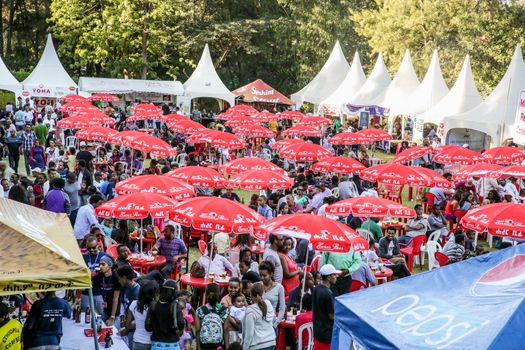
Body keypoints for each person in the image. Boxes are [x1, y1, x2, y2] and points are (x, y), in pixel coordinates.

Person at [145, 279, 185, 350]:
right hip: (173, 345)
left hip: (156, 345)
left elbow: (148, 327)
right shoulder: (176, 306)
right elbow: (181, 325)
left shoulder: (153, 305)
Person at [242, 282, 276, 350]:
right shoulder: (268, 304)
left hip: (257, 345)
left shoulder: (250, 310)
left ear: (251, 295)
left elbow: (249, 334)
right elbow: (273, 320)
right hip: (271, 342)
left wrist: (244, 348)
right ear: (263, 293)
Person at [312, 264, 339, 350]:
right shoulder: (328, 293)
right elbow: (331, 315)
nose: (336, 276)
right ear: (328, 278)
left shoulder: (316, 288)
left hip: (317, 332)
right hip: (327, 334)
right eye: (334, 274)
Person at [196, 283, 229, 349]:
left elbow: (197, 330)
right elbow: (225, 330)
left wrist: (198, 347)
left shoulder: (200, 310)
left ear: (206, 294)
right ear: (219, 294)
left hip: (204, 344)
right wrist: (227, 347)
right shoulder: (224, 310)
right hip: (218, 344)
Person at [92, 255, 121, 325]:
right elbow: (89, 283)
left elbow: (115, 298)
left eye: (103, 264)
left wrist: (112, 317)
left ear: (110, 265)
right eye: (100, 264)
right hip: (104, 309)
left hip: (114, 311)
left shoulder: (116, 277)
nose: (100, 266)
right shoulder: (100, 275)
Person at [259, 261, 285, 328]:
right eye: (260, 275)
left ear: (271, 274)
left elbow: (282, 308)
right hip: (259, 323)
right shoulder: (258, 285)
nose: (262, 278)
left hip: (271, 323)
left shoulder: (279, 288)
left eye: (264, 275)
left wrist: (276, 323)